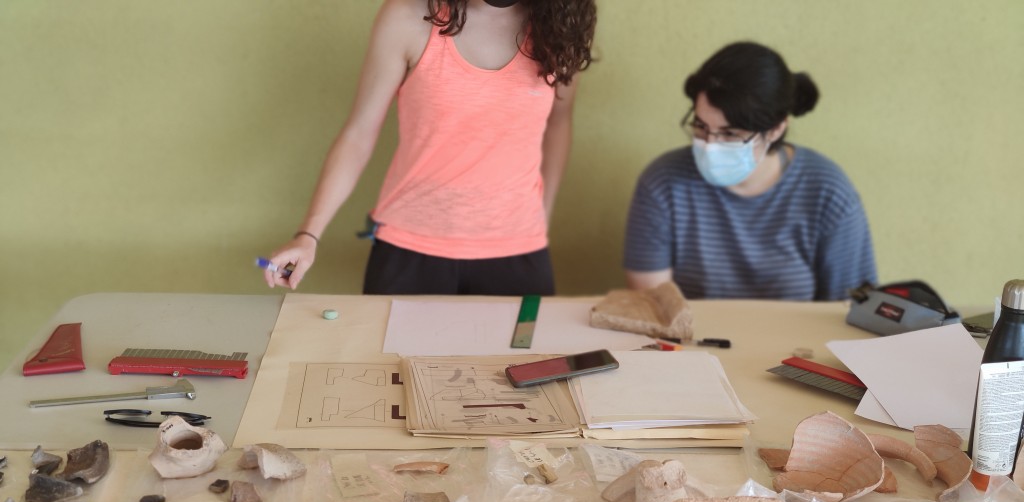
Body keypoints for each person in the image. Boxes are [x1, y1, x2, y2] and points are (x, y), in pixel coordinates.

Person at [263, 0, 597, 296]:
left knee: (521, 352)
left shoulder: (561, 26)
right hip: (408, 251)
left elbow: (558, 123)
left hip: (519, 252)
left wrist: (542, 213)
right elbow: (359, 133)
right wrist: (308, 235)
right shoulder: (407, 16)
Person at [623, 41, 878, 301]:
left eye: (730, 134)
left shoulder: (828, 193)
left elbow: (853, 307)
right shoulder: (663, 183)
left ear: (776, 129)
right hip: (690, 330)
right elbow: (653, 304)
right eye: (700, 127)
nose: (710, 146)